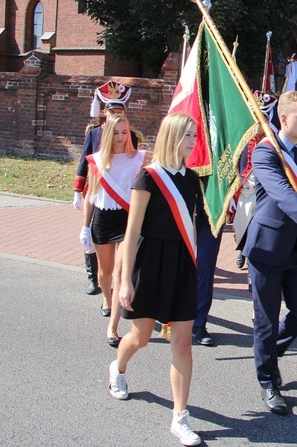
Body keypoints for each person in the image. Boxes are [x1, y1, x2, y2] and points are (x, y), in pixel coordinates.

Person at [108, 113, 202, 446]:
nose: (192, 141)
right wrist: (125, 281)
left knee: (182, 342)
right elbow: (132, 232)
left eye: (194, 135)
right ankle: (118, 368)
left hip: (181, 264)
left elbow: (192, 223)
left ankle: (180, 417)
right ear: (172, 136)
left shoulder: (192, 179)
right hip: (149, 263)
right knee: (141, 336)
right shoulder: (148, 177)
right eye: (187, 135)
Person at [241, 90, 297, 415]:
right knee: (266, 319)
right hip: (267, 247)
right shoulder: (266, 152)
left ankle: (266, 353)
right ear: (284, 118)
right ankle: (268, 381)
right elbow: (283, 195)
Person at [80, 115, 144, 347]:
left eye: (124, 132)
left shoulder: (139, 159)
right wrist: (85, 227)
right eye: (116, 132)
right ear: (108, 134)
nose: (120, 137)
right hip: (103, 218)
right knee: (104, 273)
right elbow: (91, 194)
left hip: (127, 219)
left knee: (119, 272)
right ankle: (107, 300)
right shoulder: (97, 160)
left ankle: (113, 327)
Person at [73, 81, 136, 296]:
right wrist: (77, 189)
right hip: (97, 190)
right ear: (104, 112)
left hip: (120, 194)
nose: (114, 114)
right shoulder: (94, 133)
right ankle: (93, 277)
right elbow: (84, 160)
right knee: (90, 238)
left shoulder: (129, 133)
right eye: (111, 111)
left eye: (119, 111)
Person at [192, 203, 223, 346]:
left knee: (205, 265)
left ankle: (199, 323)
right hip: (183, 202)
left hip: (213, 203)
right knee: (176, 262)